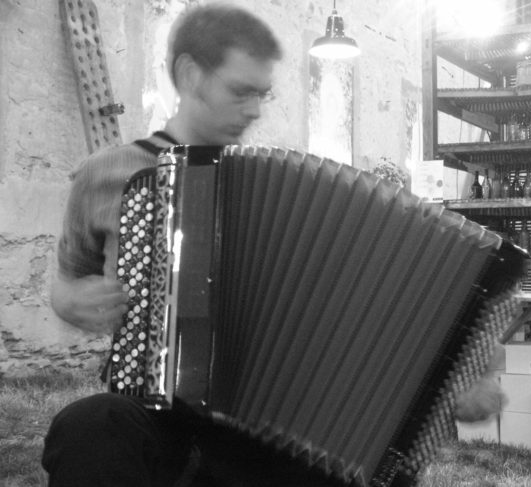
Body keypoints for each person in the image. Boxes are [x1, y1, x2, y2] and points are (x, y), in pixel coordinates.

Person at [42, 4, 338, 486]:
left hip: (264, 425)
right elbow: (67, 282)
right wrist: (72, 299)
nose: (255, 110)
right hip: (156, 414)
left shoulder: (286, 189)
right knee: (90, 425)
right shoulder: (108, 173)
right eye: (240, 91)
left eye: (262, 94)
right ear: (189, 74)